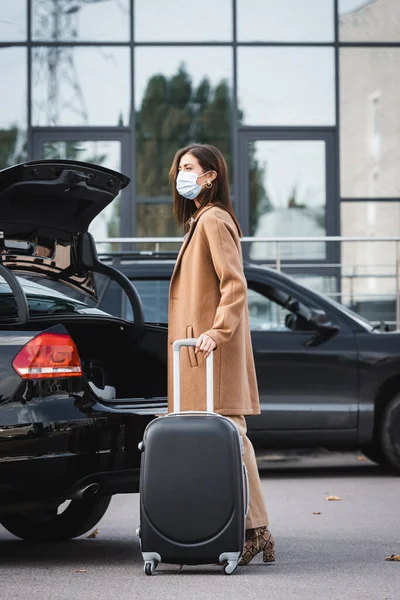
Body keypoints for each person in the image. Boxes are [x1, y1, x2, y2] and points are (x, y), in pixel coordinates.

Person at [167, 143, 275, 565]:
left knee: (231, 437)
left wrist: (217, 331)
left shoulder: (213, 219)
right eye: (179, 168)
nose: (182, 174)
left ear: (211, 175)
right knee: (226, 439)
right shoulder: (199, 220)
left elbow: (235, 285)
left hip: (209, 351)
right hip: (198, 352)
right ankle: (244, 527)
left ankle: (255, 528)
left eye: (190, 167)